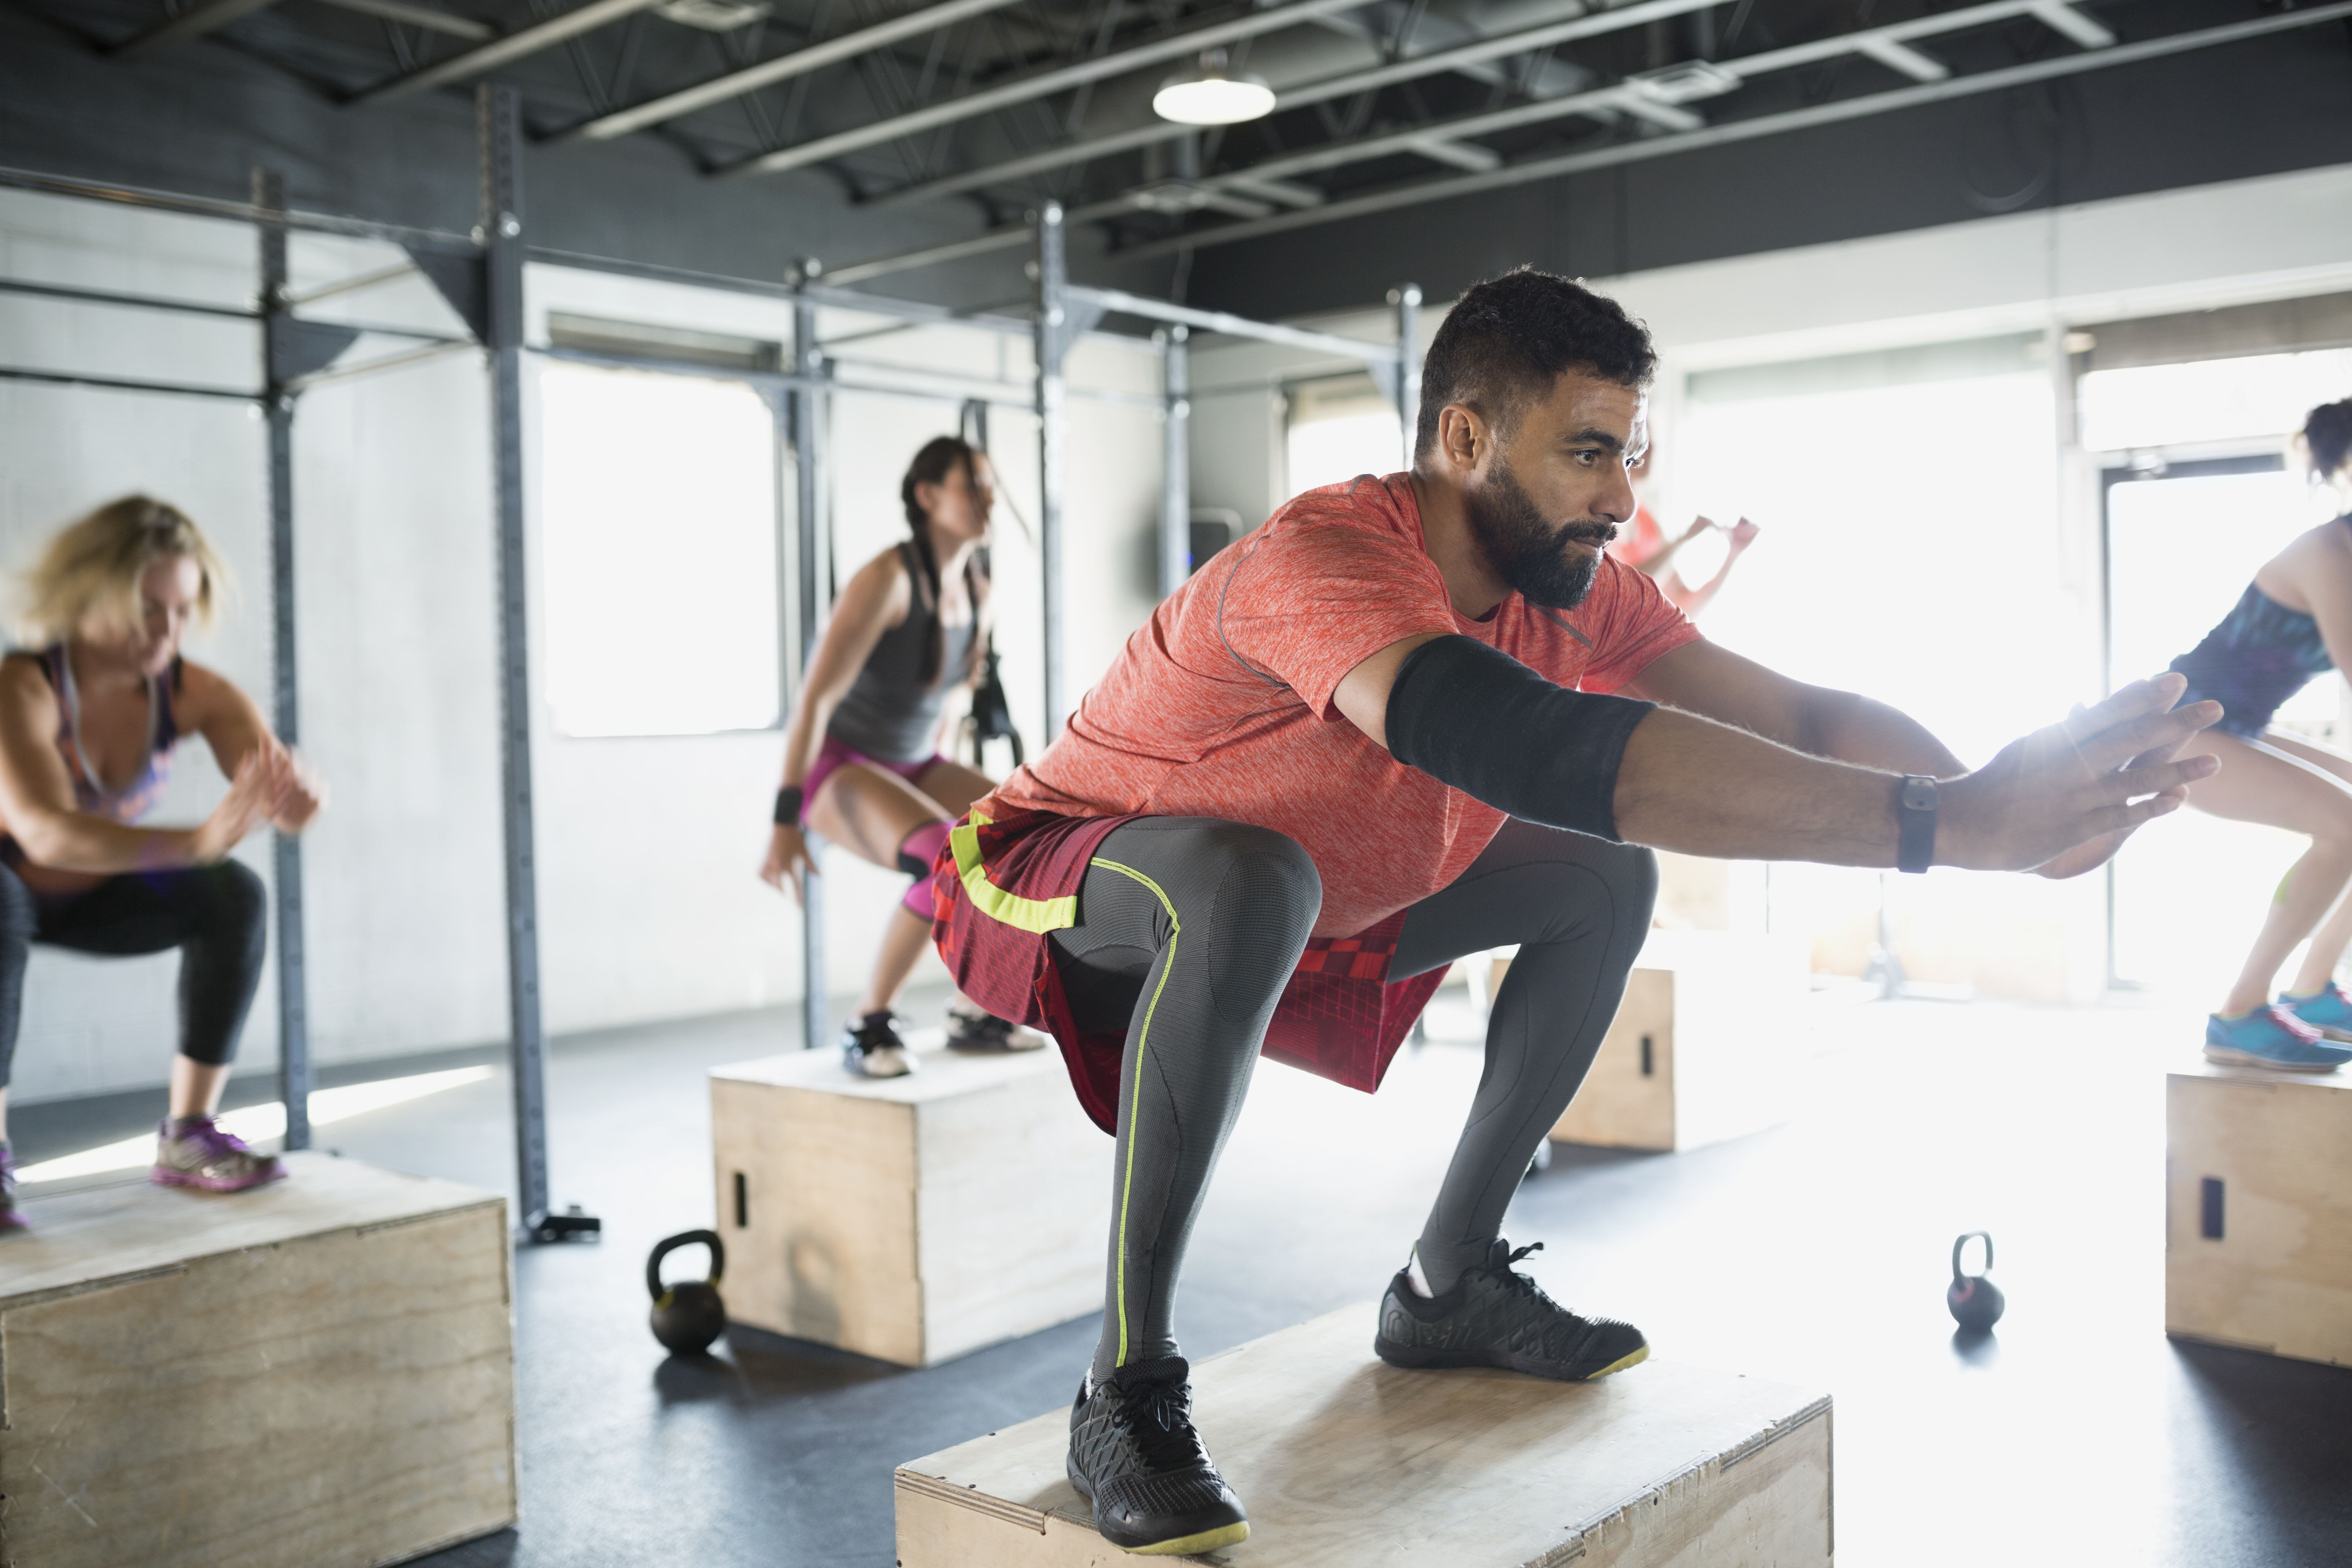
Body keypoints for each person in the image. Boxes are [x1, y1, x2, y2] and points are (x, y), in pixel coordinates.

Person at [924, 270, 2219, 1556]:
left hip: (1311, 900)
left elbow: (1802, 717)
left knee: (1601, 875)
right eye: (1590, 452)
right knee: (1261, 873)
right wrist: (1954, 829)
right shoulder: (1323, 557)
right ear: (1467, 437)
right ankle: (1124, 1386)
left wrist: (1999, 801)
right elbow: (1518, 742)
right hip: (1066, 883)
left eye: (1631, 453)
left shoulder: (1574, 592)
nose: (1624, 496)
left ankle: (1447, 1282)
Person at [0, 497, 322, 1237]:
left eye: (181, 611)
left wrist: (294, 796)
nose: (167, 631)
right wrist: (196, 842)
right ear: (90, 595)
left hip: (89, 894)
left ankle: (190, 1134)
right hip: (13, 879)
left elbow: (270, 776)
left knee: (231, 893)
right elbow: (47, 834)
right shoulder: (25, 685)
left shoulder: (188, 689)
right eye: (147, 609)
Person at [761, 436, 1044, 1078]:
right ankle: (868, 1022)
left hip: (916, 762)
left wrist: (939, 776)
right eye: (973, 486)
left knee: (1030, 833)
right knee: (944, 855)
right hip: (839, 770)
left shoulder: (980, 588)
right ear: (927, 497)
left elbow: (946, 698)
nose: (989, 499)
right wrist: (784, 821)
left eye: (991, 487)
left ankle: (977, 1010)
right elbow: (814, 702)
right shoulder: (886, 579)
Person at [2158, 399, 2352, 1071]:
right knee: (2345, 825)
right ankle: (2238, 1014)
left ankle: (2314, 990)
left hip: (2235, 724)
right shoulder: (2330, 552)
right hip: (2176, 724)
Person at [1604, 440, 1760, 619]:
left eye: (1653, 441)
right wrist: (1684, 539)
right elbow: (1621, 593)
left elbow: (1685, 605)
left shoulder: (1650, 524)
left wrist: (1733, 554)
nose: (1652, 450)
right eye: (1644, 441)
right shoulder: (1605, 523)